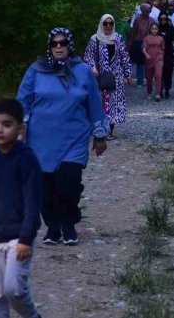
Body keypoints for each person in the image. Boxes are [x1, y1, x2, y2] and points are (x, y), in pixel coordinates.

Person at [18, 28, 107, 246]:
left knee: (69, 182)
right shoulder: (35, 71)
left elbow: (94, 102)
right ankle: (53, 228)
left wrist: (99, 134)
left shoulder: (83, 71)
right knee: (45, 187)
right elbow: (23, 100)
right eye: (54, 44)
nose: (58, 47)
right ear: (49, 47)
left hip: (74, 139)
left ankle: (68, 224)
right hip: (40, 140)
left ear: (69, 45)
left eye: (63, 43)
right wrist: (20, 128)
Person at [0, 99, 43, 318]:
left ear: (20, 128)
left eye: (6, 124)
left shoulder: (27, 159)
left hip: (19, 237)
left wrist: (26, 237)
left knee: (14, 289)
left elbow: (33, 201)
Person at [83, 14, 133, 139]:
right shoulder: (95, 39)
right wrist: (92, 67)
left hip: (116, 77)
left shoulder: (118, 39)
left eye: (111, 23)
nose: (108, 26)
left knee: (114, 103)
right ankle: (100, 128)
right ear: (101, 24)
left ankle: (109, 131)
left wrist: (128, 74)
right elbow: (88, 56)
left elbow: (124, 57)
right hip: (99, 77)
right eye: (106, 23)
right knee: (100, 102)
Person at [127, 3, 155, 87]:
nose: (148, 12)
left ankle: (149, 79)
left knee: (149, 61)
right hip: (138, 43)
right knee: (140, 63)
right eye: (147, 10)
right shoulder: (137, 20)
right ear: (142, 10)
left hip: (149, 42)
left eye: (150, 10)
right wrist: (129, 45)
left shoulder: (152, 20)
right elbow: (133, 33)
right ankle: (140, 80)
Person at [157, 12, 174, 99]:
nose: (163, 20)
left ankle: (167, 90)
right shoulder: (156, 28)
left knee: (168, 73)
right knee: (159, 73)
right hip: (158, 53)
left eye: (165, 19)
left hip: (169, 53)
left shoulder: (171, 28)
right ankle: (159, 90)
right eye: (161, 19)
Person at [143, 22, 165, 101]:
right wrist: (146, 55)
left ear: (158, 30)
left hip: (158, 59)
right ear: (150, 29)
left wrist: (161, 56)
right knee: (149, 78)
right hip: (149, 59)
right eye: (153, 29)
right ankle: (149, 92)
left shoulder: (161, 38)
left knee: (158, 76)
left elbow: (163, 48)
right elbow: (144, 49)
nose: (154, 30)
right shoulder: (147, 38)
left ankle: (158, 94)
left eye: (156, 29)